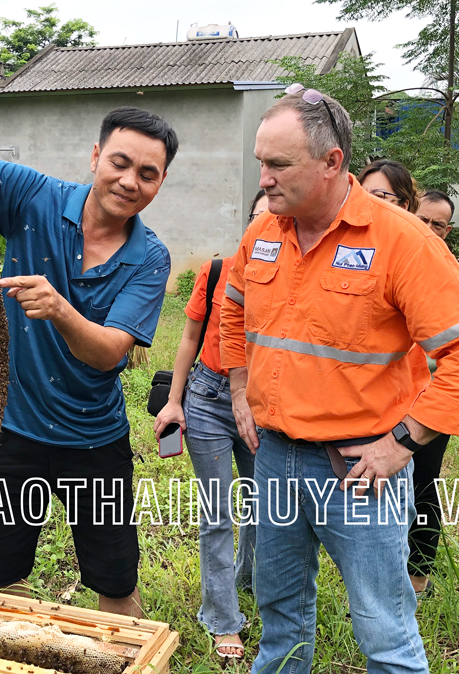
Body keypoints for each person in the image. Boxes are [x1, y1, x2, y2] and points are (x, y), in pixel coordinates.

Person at [220, 86, 459, 674]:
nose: (264, 179)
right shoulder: (264, 233)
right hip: (273, 455)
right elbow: (232, 308)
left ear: (331, 162)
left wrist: (403, 442)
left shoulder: (401, 240)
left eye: (277, 164)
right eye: (261, 164)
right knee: (279, 618)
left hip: (356, 469)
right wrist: (238, 390)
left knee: (384, 630)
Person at [0, 107, 178, 616]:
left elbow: (108, 353)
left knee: (115, 580)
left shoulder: (151, 257)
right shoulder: (36, 197)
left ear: (160, 183)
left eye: (147, 173)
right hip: (8, 429)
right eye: (119, 162)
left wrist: (60, 310)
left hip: (94, 438)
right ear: (96, 157)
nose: (129, 180)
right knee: (2, 580)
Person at [153, 191, 269, 660]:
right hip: (208, 398)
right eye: (259, 219)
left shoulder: (295, 279)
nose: (268, 228)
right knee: (218, 514)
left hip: (263, 405)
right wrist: (174, 400)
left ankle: (247, 579)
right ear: (248, 224)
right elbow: (188, 337)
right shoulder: (218, 271)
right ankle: (223, 619)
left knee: (266, 507)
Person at [406, 189, 457, 595]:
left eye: (436, 224)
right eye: (421, 219)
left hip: (428, 402)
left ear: (447, 230)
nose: (426, 229)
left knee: (424, 486)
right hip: (382, 400)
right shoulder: (393, 260)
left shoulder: (447, 272)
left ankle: (418, 576)